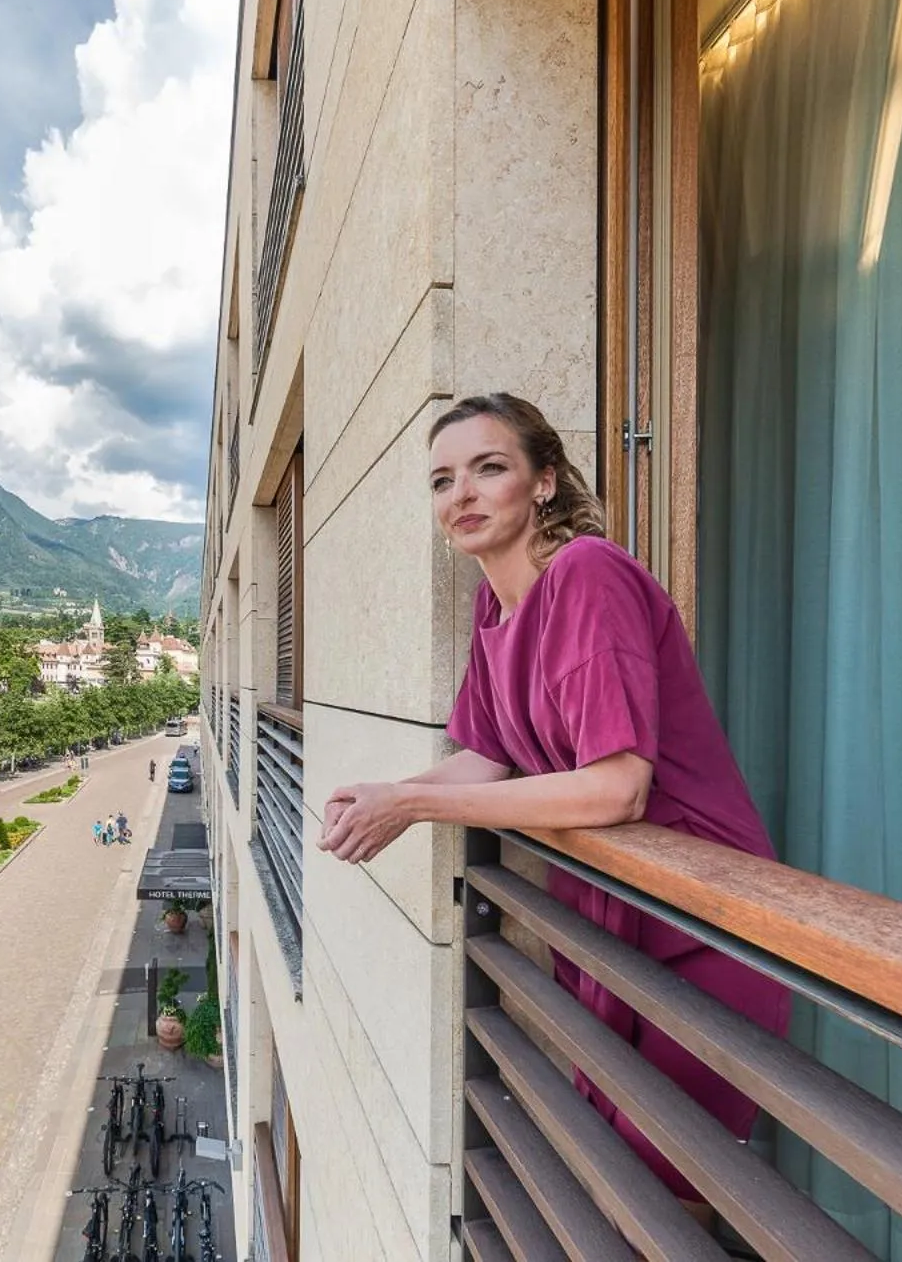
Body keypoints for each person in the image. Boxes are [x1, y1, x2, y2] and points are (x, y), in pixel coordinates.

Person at [318, 392, 791, 1216]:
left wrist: (416, 807)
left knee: (665, 1202)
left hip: (697, 932)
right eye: (441, 479)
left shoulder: (586, 573)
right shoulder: (495, 608)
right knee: (618, 1190)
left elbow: (616, 785)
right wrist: (392, 795)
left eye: (488, 467)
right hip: (610, 927)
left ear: (543, 481)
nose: (460, 493)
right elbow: (487, 756)